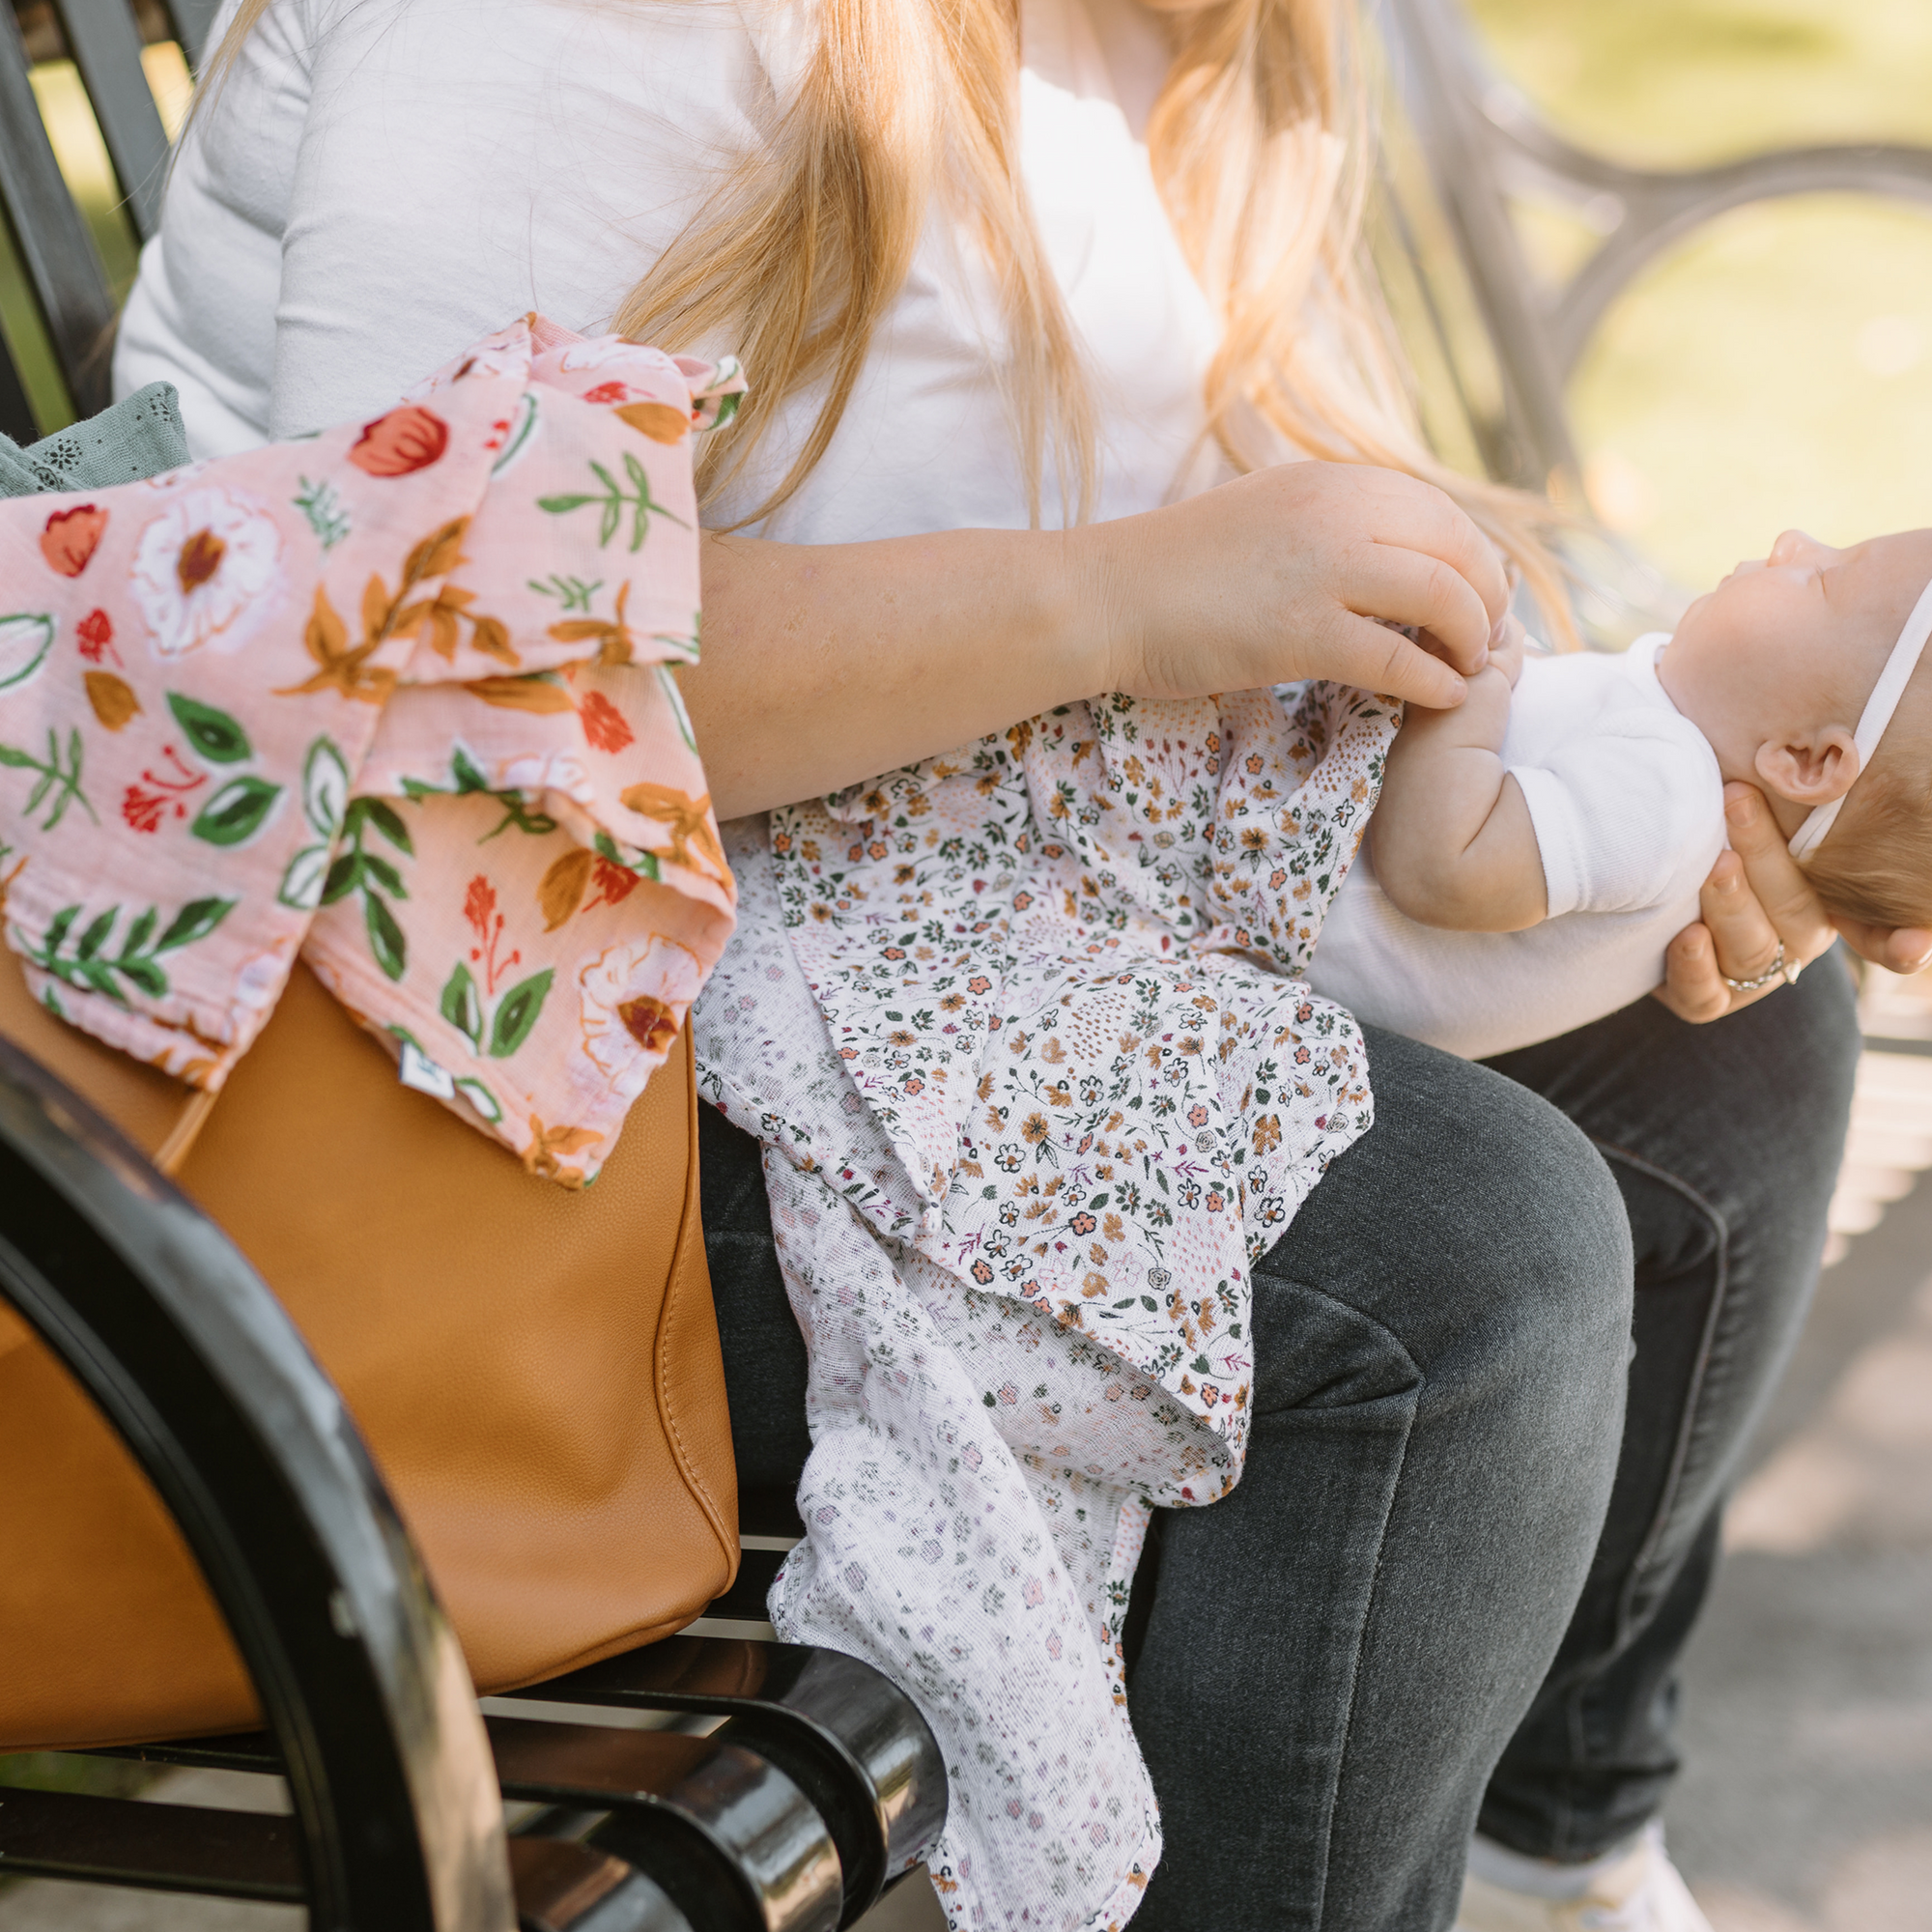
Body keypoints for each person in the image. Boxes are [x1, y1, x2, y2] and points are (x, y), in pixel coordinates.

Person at [114, 0, 1931, 1921]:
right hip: (467, 1045)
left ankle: (1520, 1843)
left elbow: (1302, 586)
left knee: (1719, 1050)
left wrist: (1661, 783)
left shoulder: (1220, 49)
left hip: (922, 901)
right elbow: (451, 687)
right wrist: (1120, 600)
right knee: (1458, 1260)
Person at [1311, 526, 1932, 1060]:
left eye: (1823, 578)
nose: (1792, 542)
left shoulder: (1666, 796)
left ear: (1805, 758)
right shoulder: (1673, 766)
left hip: (1273, 906)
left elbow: (1438, 869)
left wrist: (1473, 675)